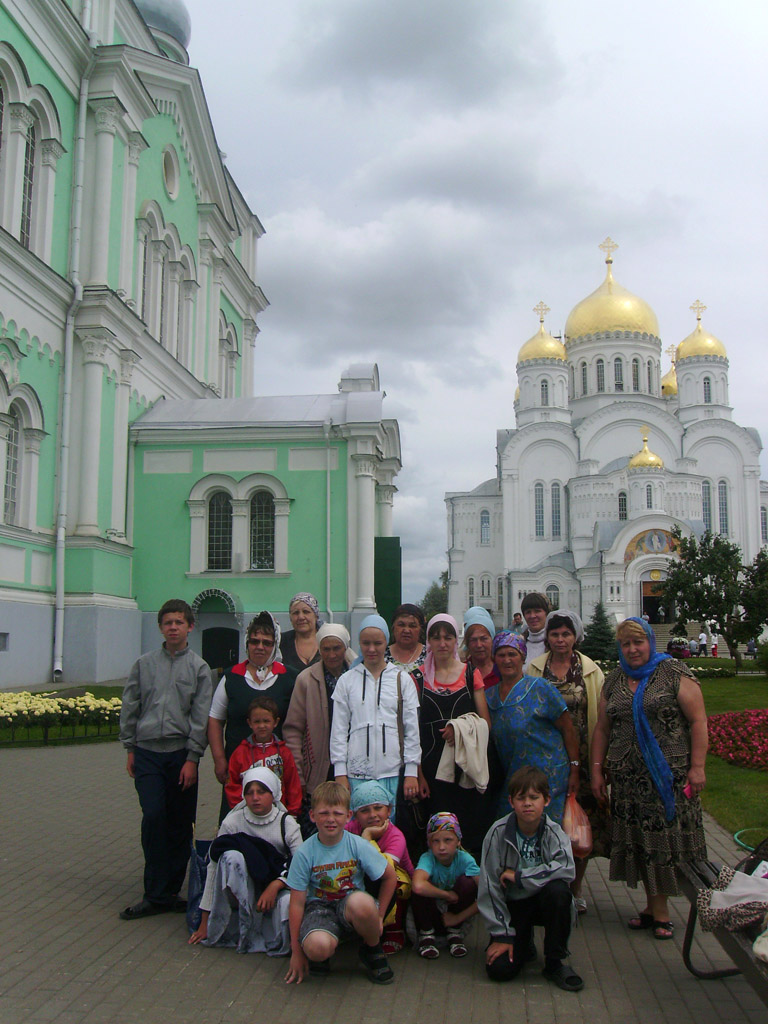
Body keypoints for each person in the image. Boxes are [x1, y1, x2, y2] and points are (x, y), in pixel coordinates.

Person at [591, 617, 708, 941]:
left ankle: (661, 913)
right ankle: (649, 907)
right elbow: (602, 728)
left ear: (650, 643)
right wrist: (598, 770)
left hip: (666, 781)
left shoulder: (672, 673)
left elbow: (698, 721)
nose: (632, 649)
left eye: (638, 642)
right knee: (640, 844)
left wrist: (697, 767)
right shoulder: (615, 680)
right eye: (626, 644)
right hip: (628, 783)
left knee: (661, 845)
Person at [118, 599, 212, 919]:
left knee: (179, 824)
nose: (173, 627)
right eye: (167, 622)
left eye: (178, 622)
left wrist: (192, 758)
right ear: (160, 627)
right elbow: (131, 705)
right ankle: (153, 892)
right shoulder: (144, 664)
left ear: (190, 627)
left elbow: (200, 718)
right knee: (154, 816)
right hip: (147, 754)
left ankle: (170, 891)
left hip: (180, 756)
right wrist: (130, 747)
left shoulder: (198, 669)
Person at [527, 610, 608, 914]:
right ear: (547, 637)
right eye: (555, 634)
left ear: (576, 636)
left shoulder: (589, 670)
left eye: (566, 634)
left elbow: (601, 719)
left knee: (578, 825)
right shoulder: (535, 668)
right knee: (541, 822)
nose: (560, 640)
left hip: (582, 761)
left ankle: (574, 890)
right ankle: (542, 887)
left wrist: (599, 763)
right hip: (543, 760)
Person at [479, 766, 583, 992]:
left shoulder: (554, 832)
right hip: (514, 906)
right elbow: (489, 886)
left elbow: (566, 868)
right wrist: (501, 935)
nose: (527, 803)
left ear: (546, 800)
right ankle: (522, 941)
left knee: (560, 892)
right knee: (499, 971)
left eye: (534, 797)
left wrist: (521, 876)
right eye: (521, 798)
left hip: (544, 901)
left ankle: (555, 962)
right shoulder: (497, 833)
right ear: (511, 801)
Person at [284, 781, 397, 984]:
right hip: (319, 908)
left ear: (348, 816)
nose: (330, 820)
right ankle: (323, 952)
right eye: (324, 813)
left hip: (350, 905)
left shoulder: (358, 845)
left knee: (361, 902)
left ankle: (372, 949)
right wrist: (296, 951)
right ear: (312, 816)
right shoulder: (304, 852)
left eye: (337, 813)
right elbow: (297, 903)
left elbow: (390, 877)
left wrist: (378, 918)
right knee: (317, 947)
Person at [189, 766, 302, 953]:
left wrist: (276, 885)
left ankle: (284, 941)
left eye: (261, 791)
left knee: (289, 902)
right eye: (249, 793)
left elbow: (301, 865)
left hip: (276, 887)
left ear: (273, 793)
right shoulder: (232, 822)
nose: (255, 797)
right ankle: (238, 926)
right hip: (239, 891)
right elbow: (213, 868)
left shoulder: (287, 823)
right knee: (230, 856)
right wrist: (204, 921)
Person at [417, 613, 491, 857]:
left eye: (448, 637)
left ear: (456, 640)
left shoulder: (470, 674)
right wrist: (417, 774)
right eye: (436, 637)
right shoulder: (417, 678)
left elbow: (484, 724)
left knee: (466, 825)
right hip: (430, 766)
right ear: (428, 641)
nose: (442, 643)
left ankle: (466, 883)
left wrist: (459, 730)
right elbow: (409, 730)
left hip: (463, 767)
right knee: (434, 825)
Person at [330, 614, 421, 811]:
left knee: (390, 832)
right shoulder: (346, 681)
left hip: (393, 773)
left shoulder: (402, 680)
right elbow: (338, 730)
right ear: (359, 643)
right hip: (356, 774)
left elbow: (411, 729)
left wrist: (411, 771)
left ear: (386, 642)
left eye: (377, 643)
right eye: (366, 643)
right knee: (359, 829)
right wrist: (340, 772)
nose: (371, 649)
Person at [486, 632, 579, 822]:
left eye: (512, 654)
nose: (507, 660)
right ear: (494, 658)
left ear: (522, 657)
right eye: (501, 655)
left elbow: (567, 729)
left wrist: (575, 768)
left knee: (548, 835)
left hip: (549, 779)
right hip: (513, 781)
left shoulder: (540, 688)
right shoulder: (489, 697)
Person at [208, 611, 293, 819]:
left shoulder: (289, 678)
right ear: (247, 643)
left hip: (277, 768)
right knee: (236, 824)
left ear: (275, 645)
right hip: (238, 769)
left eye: (267, 642)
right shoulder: (231, 677)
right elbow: (215, 719)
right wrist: (219, 760)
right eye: (254, 641)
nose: (260, 647)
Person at [282, 623, 356, 805]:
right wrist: (299, 774)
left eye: (337, 648)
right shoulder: (306, 680)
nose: (332, 655)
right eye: (326, 649)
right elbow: (293, 730)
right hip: (318, 768)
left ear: (345, 648)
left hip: (355, 765)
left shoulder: (358, 677)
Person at [346, 780, 414, 955]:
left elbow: (385, 868)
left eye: (378, 808)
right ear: (354, 814)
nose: (372, 815)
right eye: (364, 810)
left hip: (399, 882)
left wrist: (367, 837)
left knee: (395, 883)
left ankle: (394, 931)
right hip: (364, 876)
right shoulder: (350, 828)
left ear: (389, 810)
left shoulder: (396, 836)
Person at [411, 811, 480, 959]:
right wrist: (447, 895)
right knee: (420, 885)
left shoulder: (465, 859)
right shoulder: (428, 858)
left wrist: (458, 918)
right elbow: (417, 886)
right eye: (436, 841)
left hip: (455, 915)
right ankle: (426, 933)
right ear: (429, 843)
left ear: (458, 841)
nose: (442, 847)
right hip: (431, 913)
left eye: (448, 840)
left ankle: (455, 932)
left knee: (468, 883)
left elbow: (487, 895)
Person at [225, 696, 302, 815]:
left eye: (266, 721)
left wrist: (292, 812)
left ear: (275, 722)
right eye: (257, 721)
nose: (261, 726)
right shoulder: (240, 753)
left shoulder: (283, 753)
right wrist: (243, 807)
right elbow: (232, 785)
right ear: (249, 723)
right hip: (248, 814)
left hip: (278, 814)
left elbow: (293, 784)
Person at [385, 603, 427, 684]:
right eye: (401, 625)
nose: (406, 630)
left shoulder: (429, 656)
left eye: (412, 626)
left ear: (420, 629)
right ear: (393, 627)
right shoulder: (382, 655)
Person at [280, 592, 322, 673]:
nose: (301, 617)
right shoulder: (281, 642)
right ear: (290, 618)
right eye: (295, 613)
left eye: (306, 612)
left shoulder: (327, 640)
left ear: (316, 615)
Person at [462, 605, 499, 689]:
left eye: (484, 639)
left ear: (492, 639)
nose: (479, 645)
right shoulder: (461, 673)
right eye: (473, 640)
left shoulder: (502, 670)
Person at [520, 593, 550, 664]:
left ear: (546, 613)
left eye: (537, 611)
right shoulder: (519, 644)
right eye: (528, 612)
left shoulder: (556, 643)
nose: (532, 616)